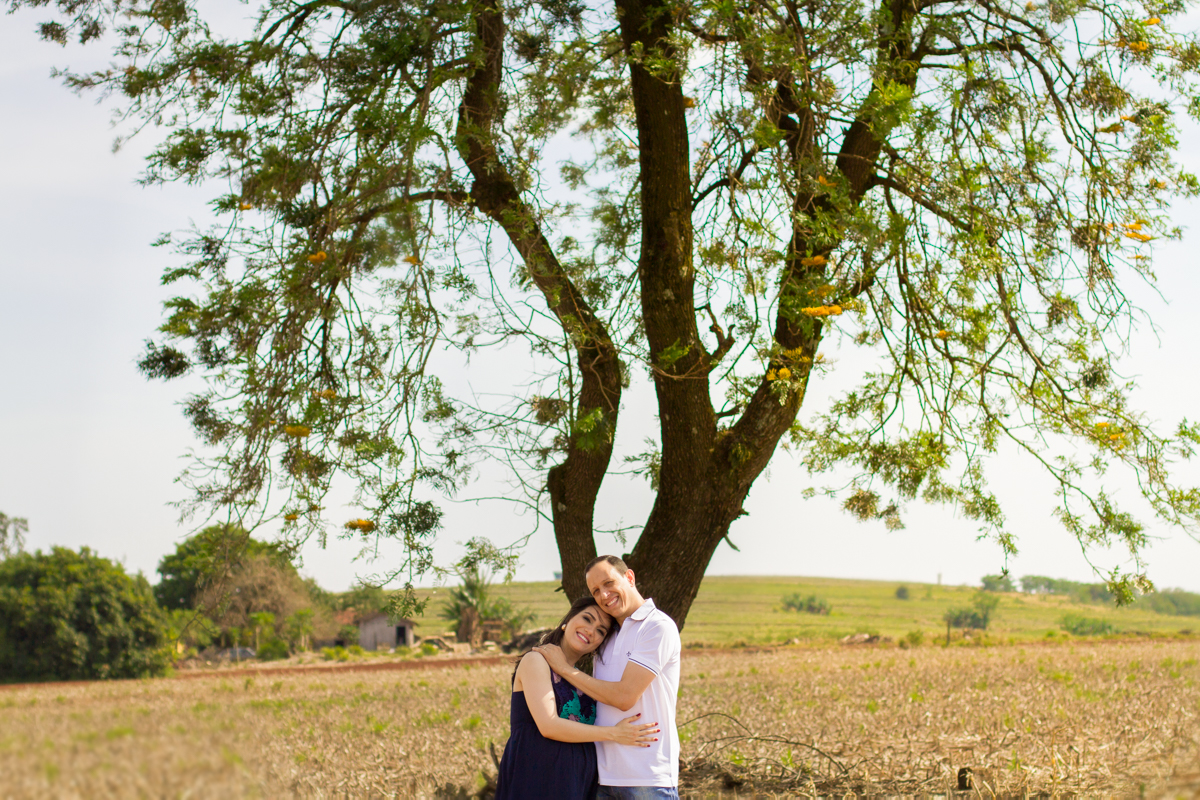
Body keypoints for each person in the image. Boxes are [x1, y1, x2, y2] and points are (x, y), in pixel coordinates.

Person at [535, 555, 682, 799]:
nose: (603, 595)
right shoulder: (605, 634)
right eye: (595, 591)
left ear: (629, 577)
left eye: (609, 583)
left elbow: (625, 697)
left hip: (647, 778)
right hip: (602, 778)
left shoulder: (657, 627)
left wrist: (564, 669)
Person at [495, 595, 661, 799]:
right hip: (538, 776)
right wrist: (614, 733)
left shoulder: (582, 680)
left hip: (575, 782)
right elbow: (549, 726)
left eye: (600, 631)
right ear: (568, 619)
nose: (591, 631)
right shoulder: (536, 660)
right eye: (587, 619)